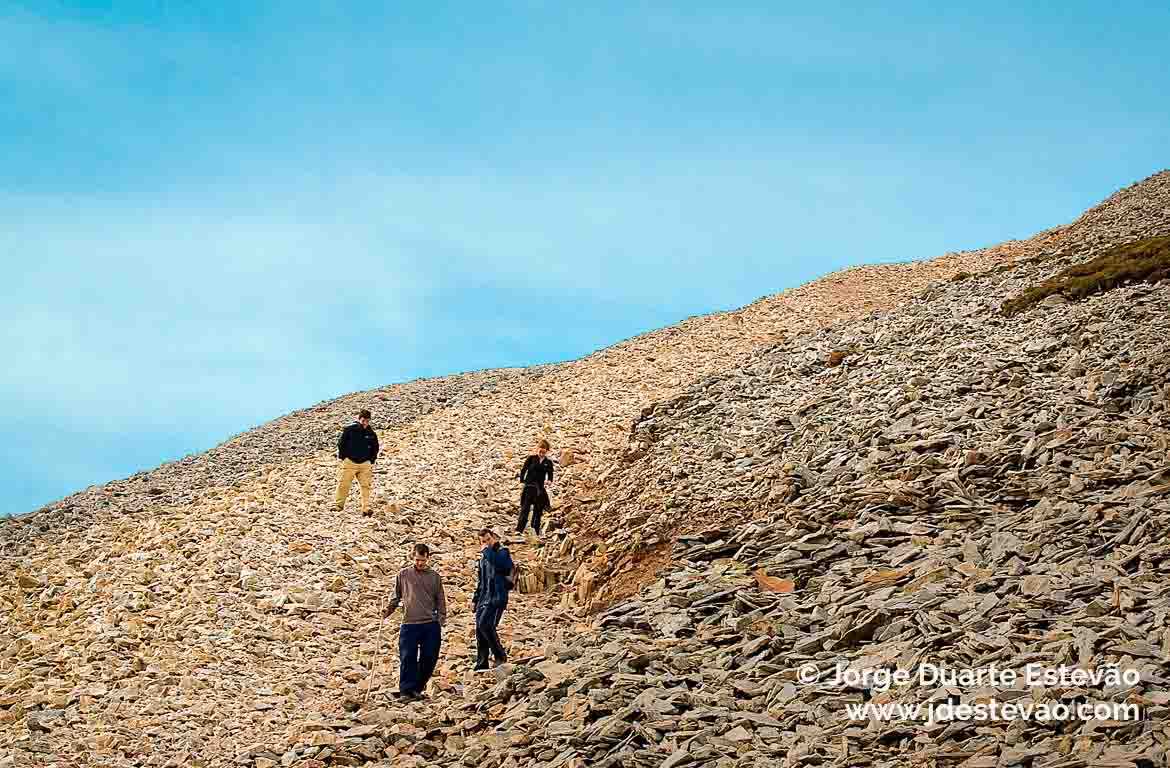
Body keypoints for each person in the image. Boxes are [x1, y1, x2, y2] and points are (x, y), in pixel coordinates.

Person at [384, 543, 447, 700]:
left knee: (429, 658)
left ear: (428, 558)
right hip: (409, 623)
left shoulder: (434, 577)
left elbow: (440, 600)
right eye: (417, 560)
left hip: (430, 624)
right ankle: (405, 691)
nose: (420, 563)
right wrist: (387, 610)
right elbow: (395, 596)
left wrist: (440, 619)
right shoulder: (403, 575)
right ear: (412, 557)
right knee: (407, 657)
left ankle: (417, 689)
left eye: (423, 560)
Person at [472, 529, 513, 671]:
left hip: (497, 597)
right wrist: (475, 599)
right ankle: (482, 662)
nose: (486, 544)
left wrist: (487, 552)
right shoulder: (483, 559)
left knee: (486, 625)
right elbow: (481, 580)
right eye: (483, 542)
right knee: (479, 629)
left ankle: (500, 655)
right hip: (484, 597)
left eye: (488, 540)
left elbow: (504, 567)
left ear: (494, 538)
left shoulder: (502, 552)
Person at [335, 409, 379, 514]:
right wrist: (344, 457)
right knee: (343, 484)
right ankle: (338, 506)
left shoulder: (371, 433)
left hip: (365, 464)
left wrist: (371, 460)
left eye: (367, 421)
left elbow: (375, 447)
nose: (365, 423)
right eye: (363, 420)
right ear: (359, 419)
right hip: (350, 462)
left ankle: (366, 508)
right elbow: (341, 444)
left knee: (366, 486)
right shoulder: (349, 430)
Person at [516, 439, 554, 536]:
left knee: (538, 510)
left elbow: (550, 474)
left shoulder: (548, 462)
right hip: (529, 486)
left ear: (547, 451)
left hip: (539, 489)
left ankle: (535, 531)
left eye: (543, 452)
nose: (541, 454)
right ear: (537, 450)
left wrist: (549, 481)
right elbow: (524, 469)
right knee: (525, 509)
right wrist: (521, 481)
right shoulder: (531, 459)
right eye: (540, 451)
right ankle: (519, 530)